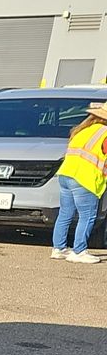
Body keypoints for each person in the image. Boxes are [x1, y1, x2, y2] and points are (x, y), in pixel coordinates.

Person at [53, 101, 107, 264]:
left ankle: (59, 248)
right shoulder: (105, 134)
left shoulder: (82, 130)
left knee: (65, 213)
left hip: (66, 175)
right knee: (88, 216)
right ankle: (79, 251)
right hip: (86, 179)